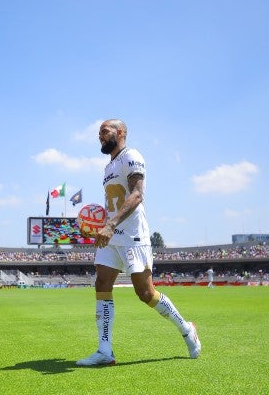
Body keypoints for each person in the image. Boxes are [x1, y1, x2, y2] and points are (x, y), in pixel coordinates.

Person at [76, 119, 201, 367]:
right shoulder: (108, 166)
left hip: (133, 236)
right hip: (111, 238)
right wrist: (101, 223)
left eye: (104, 131)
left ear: (120, 132)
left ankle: (187, 329)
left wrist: (111, 225)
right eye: (98, 133)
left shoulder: (131, 155)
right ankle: (104, 350)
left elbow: (137, 194)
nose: (99, 136)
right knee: (101, 283)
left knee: (145, 293)